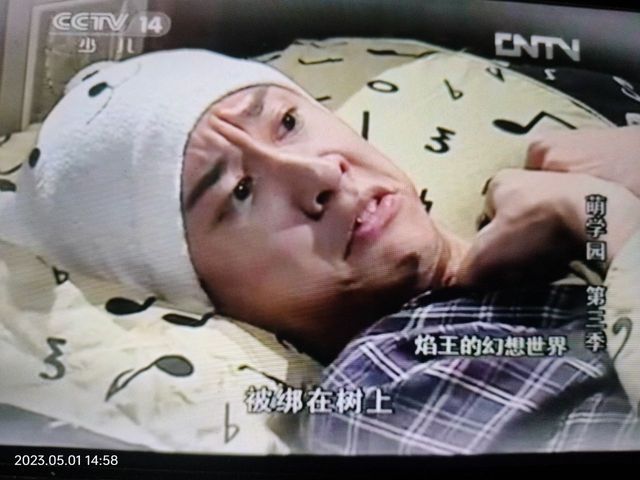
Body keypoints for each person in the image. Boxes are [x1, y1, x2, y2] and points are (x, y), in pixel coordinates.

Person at [0, 49, 638, 453]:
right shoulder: (385, 391)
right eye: (240, 192)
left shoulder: (549, 238)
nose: (320, 175)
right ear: (200, 290)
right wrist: (609, 220)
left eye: (287, 123)